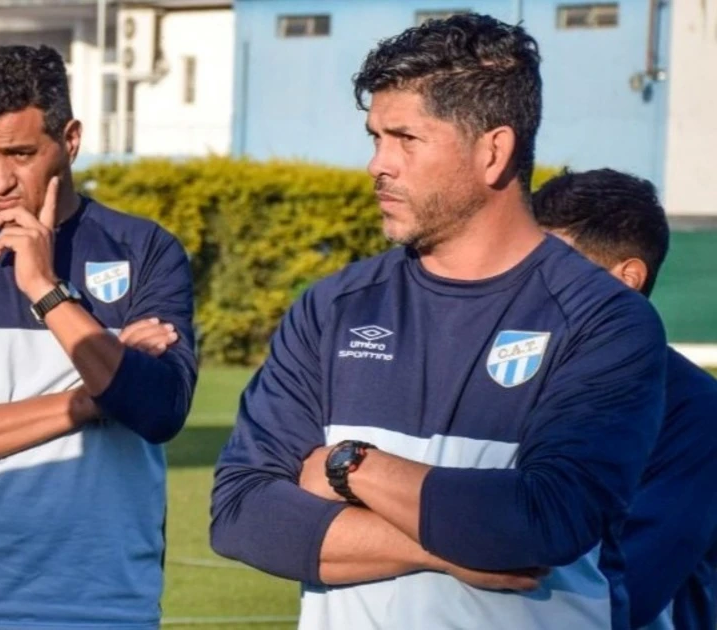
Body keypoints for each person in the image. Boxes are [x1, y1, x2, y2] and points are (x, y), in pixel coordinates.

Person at [210, 14, 666, 630]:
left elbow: (542, 521)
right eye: (374, 136)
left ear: (493, 152)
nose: (377, 163)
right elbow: (241, 514)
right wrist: (437, 550)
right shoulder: (333, 308)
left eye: (405, 139)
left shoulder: (604, 320)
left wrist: (348, 464)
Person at [0, 45, 198, 629]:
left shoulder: (146, 249)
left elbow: (156, 410)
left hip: (106, 604)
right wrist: (91, 399)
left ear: (71, 140)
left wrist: (45, 286)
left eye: (21, 154)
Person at [533, 168, 717, 630]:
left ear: (627, 278)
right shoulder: (511, 377)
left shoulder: (694, 411)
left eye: (555, 270)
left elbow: (629, 590)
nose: (528, 290)